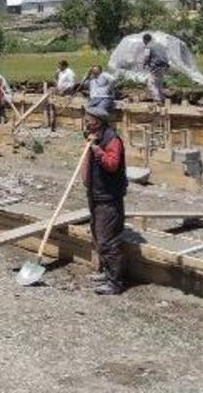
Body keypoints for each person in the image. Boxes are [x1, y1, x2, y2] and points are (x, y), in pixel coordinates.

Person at [82, 105, 128, 295]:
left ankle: (115, 282)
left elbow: (112, 164)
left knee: (107, 240)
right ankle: (107, 273)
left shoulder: (112, 140)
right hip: (96, 193)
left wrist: (97, 151)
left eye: (88, 119)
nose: (85, 122)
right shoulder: (94, 137)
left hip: (109, 196)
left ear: (98, 121)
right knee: (97, 234)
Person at [140, 33, 170, 105]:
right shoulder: (160, 45)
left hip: (155, 67)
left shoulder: (148, 46)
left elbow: (146, 57)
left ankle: (157, 100)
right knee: (159, 83)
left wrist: (144, 64)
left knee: (151, 83)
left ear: (145, 40)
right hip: (163, 66)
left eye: (143, 41)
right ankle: (162, 98)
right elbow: (166, 55)